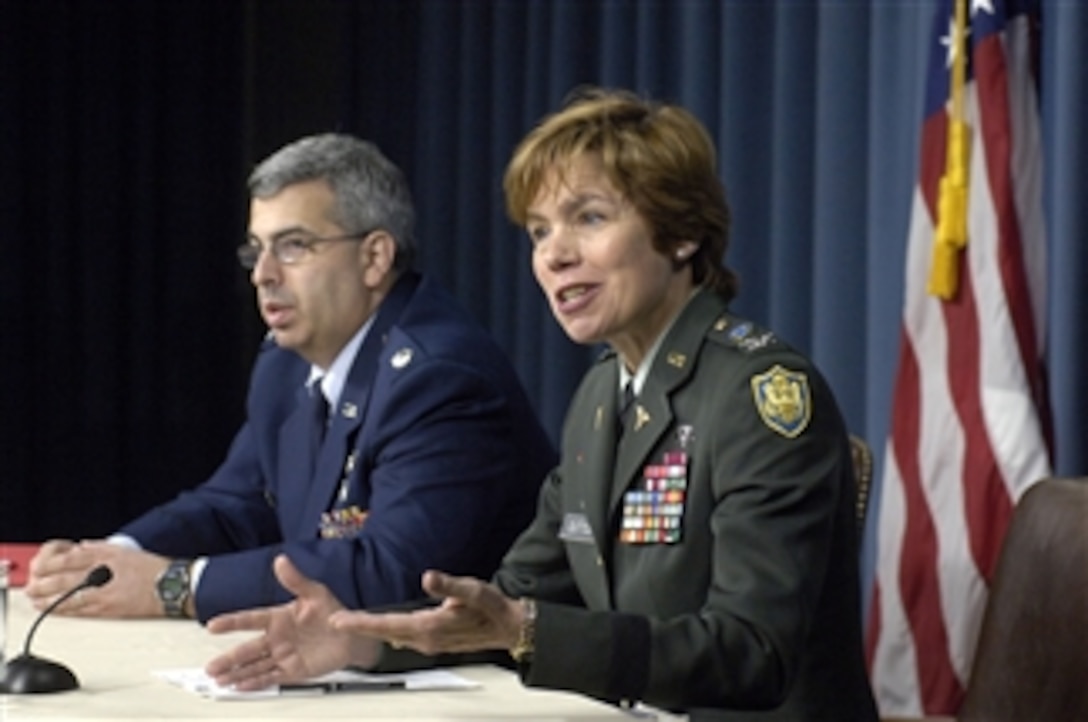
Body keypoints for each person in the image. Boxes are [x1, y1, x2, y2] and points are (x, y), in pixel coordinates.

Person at [204, 90, 878, 721]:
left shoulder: (759, 396)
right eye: (537, 230)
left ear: (681, 234)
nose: (554, 254)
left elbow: (751, 654)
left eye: (589, 218)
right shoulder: (600, 396)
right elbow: (506, 601)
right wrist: (361, 643)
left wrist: (530, 631)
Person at [25, 133, 556, 623]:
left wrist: (173, 585)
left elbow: (392, 571)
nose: (263, 274)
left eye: (293, 246)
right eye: (257, 251)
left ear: (375, 257)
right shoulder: (286, 363)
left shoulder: (439, 379)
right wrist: (111, 558)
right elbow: (235, 507)